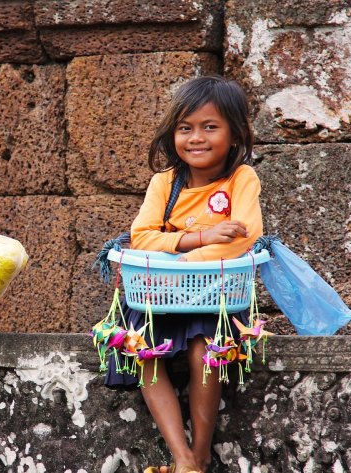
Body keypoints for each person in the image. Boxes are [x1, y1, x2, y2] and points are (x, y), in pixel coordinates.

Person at [104, 75, 263, 473]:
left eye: (210, 127)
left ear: (236, 133)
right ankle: (183, 457)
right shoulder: (164, 183)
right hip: (157, 295)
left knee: (203, 352)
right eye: (185, 128)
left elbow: (245, 237)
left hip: (216, 296)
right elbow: (140, 237)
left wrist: (180, 256)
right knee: (143, 353)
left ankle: (202, 452)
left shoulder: (241, 178)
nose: (196, 138)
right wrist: (200, 238)